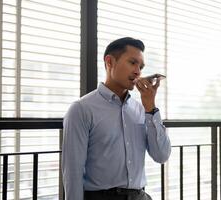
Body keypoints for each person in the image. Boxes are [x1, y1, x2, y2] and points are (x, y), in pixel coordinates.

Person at [62, 37, 171, 200]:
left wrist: (150, 108)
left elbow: (161, 155)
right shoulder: (82, 109)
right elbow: (73, 172)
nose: (138, 71)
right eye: (132, 63)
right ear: (109, 62)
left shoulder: (141, 109)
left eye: (140, 67)